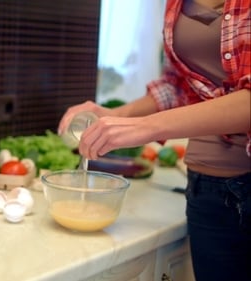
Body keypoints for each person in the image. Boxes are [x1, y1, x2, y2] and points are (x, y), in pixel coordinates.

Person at [58, 0, 250, 280]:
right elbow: (179, 84)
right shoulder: (175, 4)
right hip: (207, 186)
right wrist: (117, 115)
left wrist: (147, 127)